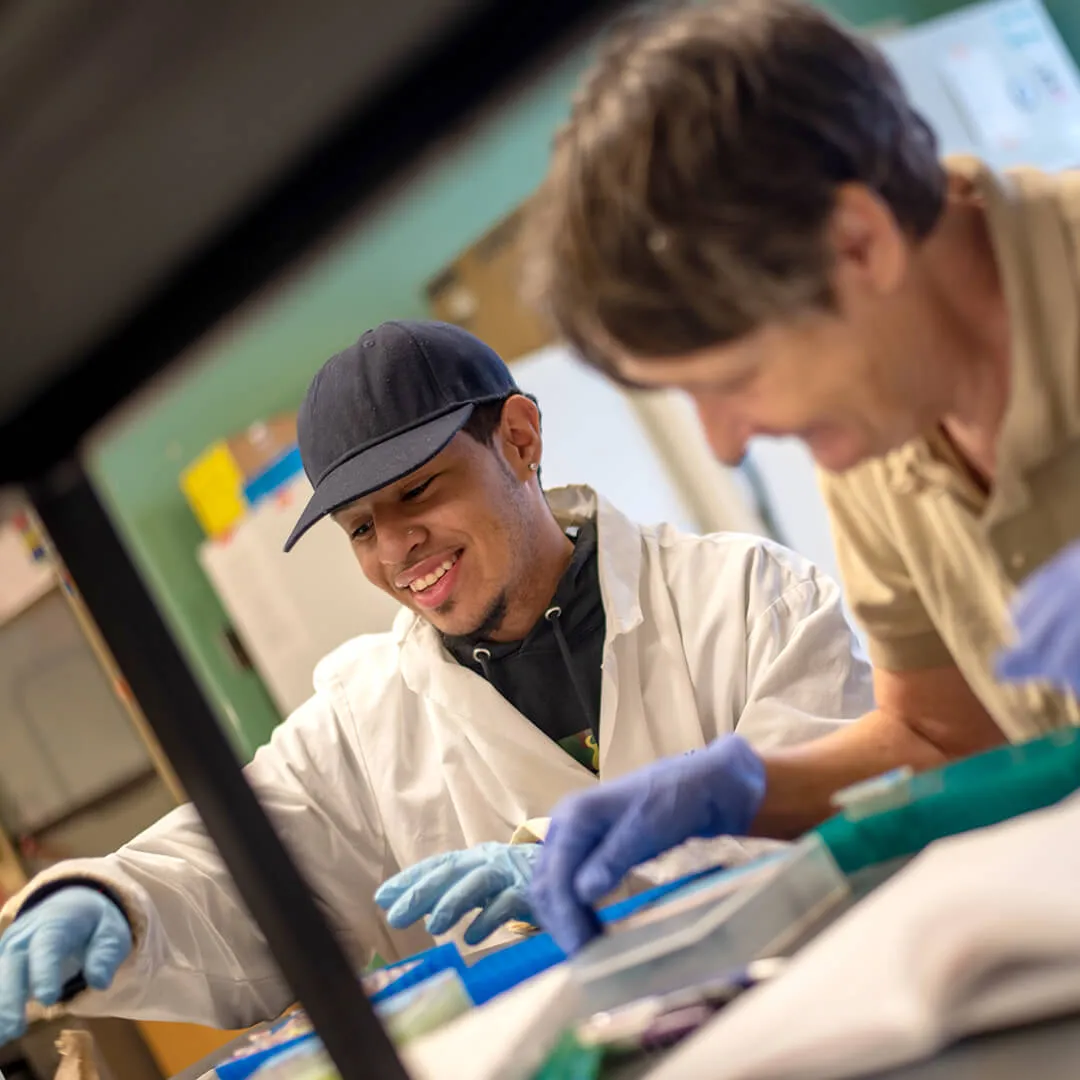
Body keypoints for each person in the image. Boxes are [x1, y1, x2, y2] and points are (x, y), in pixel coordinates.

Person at [0, 320, 870, 1039]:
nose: (395, 549)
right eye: (359, 528)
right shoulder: (364, 715)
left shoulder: (742, 597)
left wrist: (615, 868)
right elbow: (242, 868)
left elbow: (852, 807)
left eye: (419, 492)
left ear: (521, 439)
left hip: (817, 1030)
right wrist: (114, 899)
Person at [519, 0, 1080, 953]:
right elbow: (944, 733)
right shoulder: (882, 428)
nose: (729, 443)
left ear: (859, 243)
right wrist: (741, 790)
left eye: (732, 380)